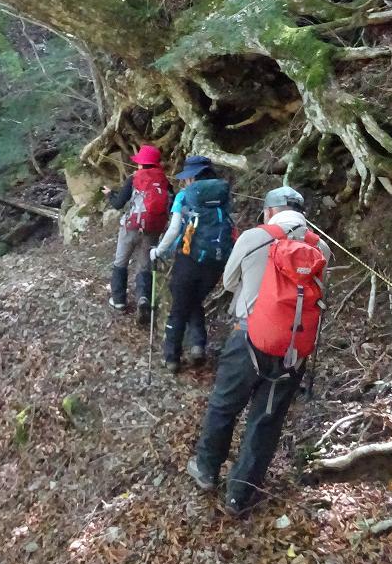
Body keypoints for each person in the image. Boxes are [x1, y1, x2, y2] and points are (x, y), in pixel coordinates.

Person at [185, 186, 331, 516]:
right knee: (266, 420)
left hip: (247, 338)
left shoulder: (253, 237)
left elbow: (227, 282)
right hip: (293, 350)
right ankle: (240, 495)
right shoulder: (320, 248)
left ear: (269, 211)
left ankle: (207, 470)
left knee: (224, 405)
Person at [150, 156, 234, 374]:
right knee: (194, 300)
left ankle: (172, 358)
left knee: (179, 307)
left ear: (193, 177)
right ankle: (197, 345)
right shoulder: (223, 194)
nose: (185, 182)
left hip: (189, 259)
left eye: (187, 177)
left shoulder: (184, 196)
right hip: (216, 260)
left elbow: (174, 229)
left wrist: (158, 250)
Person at [102, 145, 171, 325]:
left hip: (131, 227)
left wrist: (109, 194)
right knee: (144, 265)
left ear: (141, 164)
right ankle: (143, 299)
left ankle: (118, 300)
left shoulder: (134, 179)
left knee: (120, 261)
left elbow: (118, 204)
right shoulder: (164, 180)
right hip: (153, 229)